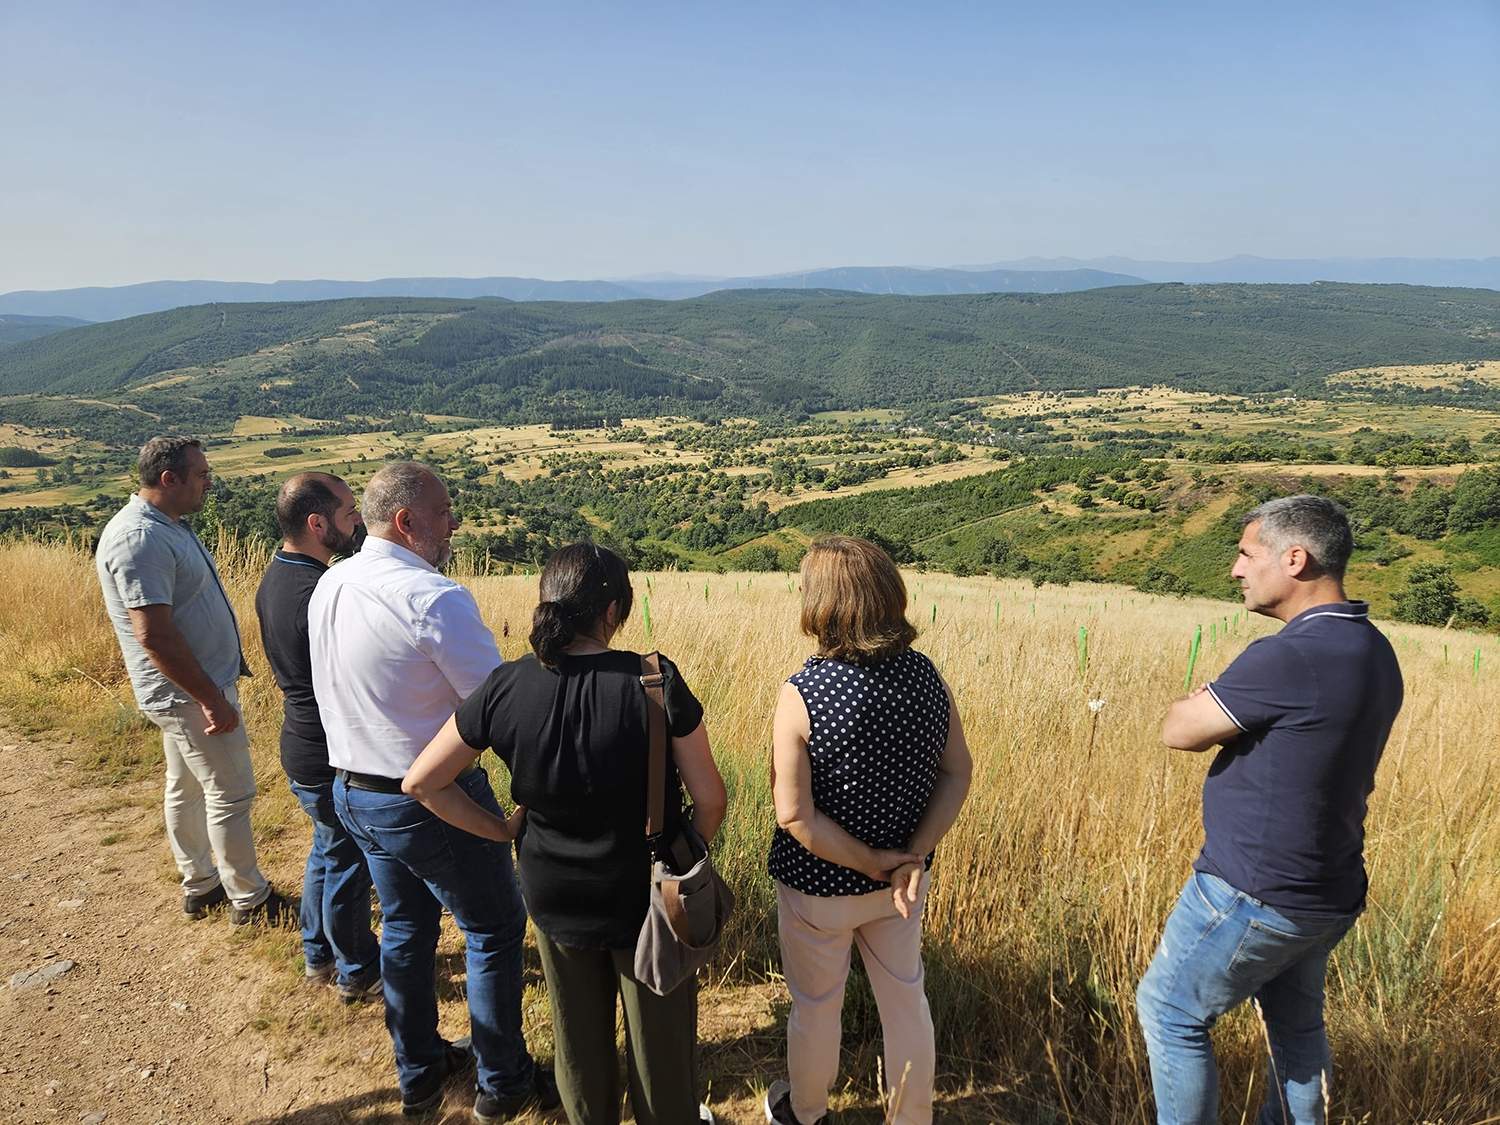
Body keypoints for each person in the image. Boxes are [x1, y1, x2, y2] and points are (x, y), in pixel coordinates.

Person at [405, 543, 728, 1125]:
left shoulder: (506, 687)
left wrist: (500, 829)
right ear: (611, 612)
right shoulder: (655, 681)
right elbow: (710, 798)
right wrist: (687, 856)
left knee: (577, 1043)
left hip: (552, 894)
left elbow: (422, 781)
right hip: (645, 898)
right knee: (661, 1049)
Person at [1138, 495, 1404, 1125]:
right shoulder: (1375, 649)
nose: (1235, 569)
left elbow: (1179, 729)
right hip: (1325, 888)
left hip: (1251, 889)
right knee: (1296, 1034)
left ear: (1295, 558)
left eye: (1245, 553)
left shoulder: (1287, 655)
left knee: (1171, 1013)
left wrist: (1204, 697)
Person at [307, 461, 553, 1120]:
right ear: (408, 520)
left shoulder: (331, 582)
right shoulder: (434, 597)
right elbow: (498, 707)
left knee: (408, 928)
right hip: (430, 795)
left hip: (354, 790)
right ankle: (503, 1083)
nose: (453, 525)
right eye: (445, 513)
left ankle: (418, 1073)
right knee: (495, 927)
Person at [765, 536, 972, 1125]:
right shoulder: (926, 676)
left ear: (822, 605)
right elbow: (958, 772)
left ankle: (805, 1114)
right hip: (902, 886)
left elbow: (795, 815)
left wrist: (871, 861)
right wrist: (910, 857)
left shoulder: (803, 693)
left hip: (819, 889)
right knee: (906, 1001)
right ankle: (912, 1118)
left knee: (815, 1007)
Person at [95, 435, 283, 925]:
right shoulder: (141, 539)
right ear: (168, 479)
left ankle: (200, 883)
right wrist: (210, 699)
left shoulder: (166, 525)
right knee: (231, 791)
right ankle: (250, 898)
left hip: (191, 689)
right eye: (201, 474)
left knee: (187, 786)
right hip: (188, 692)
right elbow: (153, 633)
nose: (209, 482)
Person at [253, 471, 381, 1002]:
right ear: (317, 523)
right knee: (349, 861)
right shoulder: (320, 591)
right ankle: (355, 970)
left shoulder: (277, 577)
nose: (357, 524)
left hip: (300, 740)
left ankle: (317, 950)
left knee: (327, 849)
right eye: (350, 514)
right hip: (325, 748)